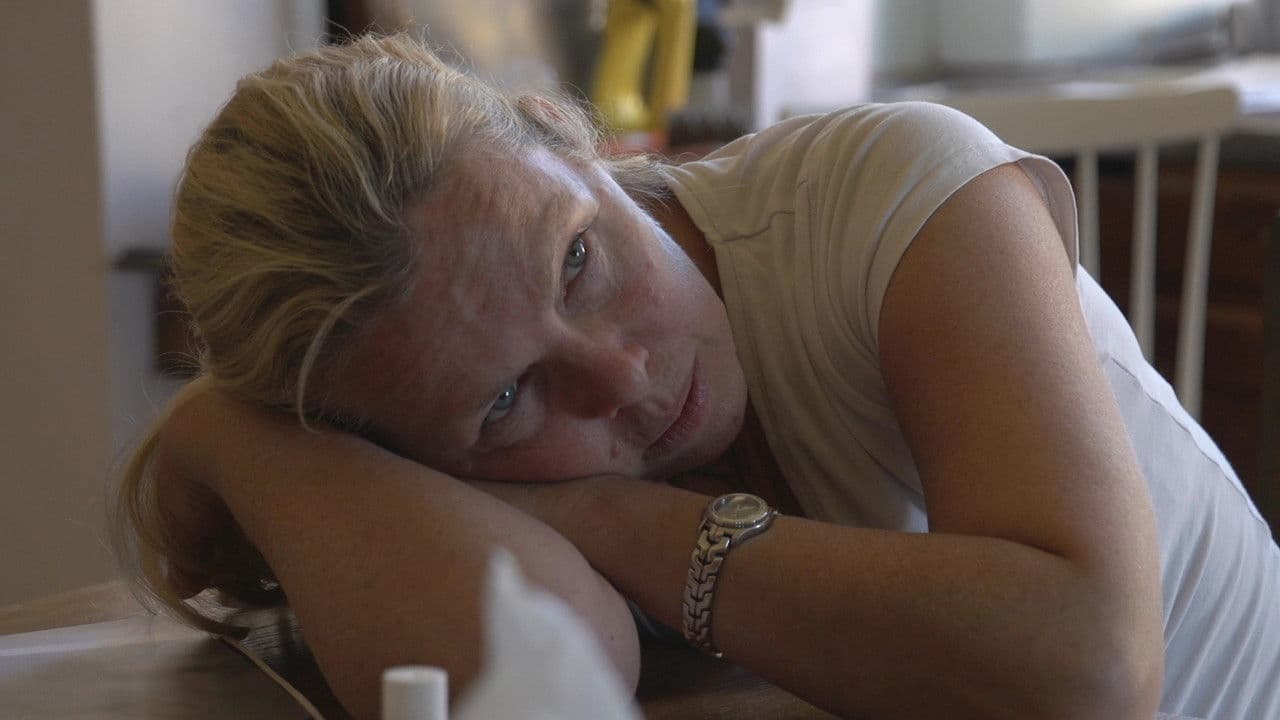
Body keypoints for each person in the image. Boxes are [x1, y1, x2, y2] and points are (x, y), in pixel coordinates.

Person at [112, 33, 1279, 720]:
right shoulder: (418, 409)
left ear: (578, 144)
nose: (619, 376)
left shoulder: (892, 193)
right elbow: (536, 683)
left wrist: (610, 518)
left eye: (578, 261)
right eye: (506, 399)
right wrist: (234, 431)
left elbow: (1086, 672)